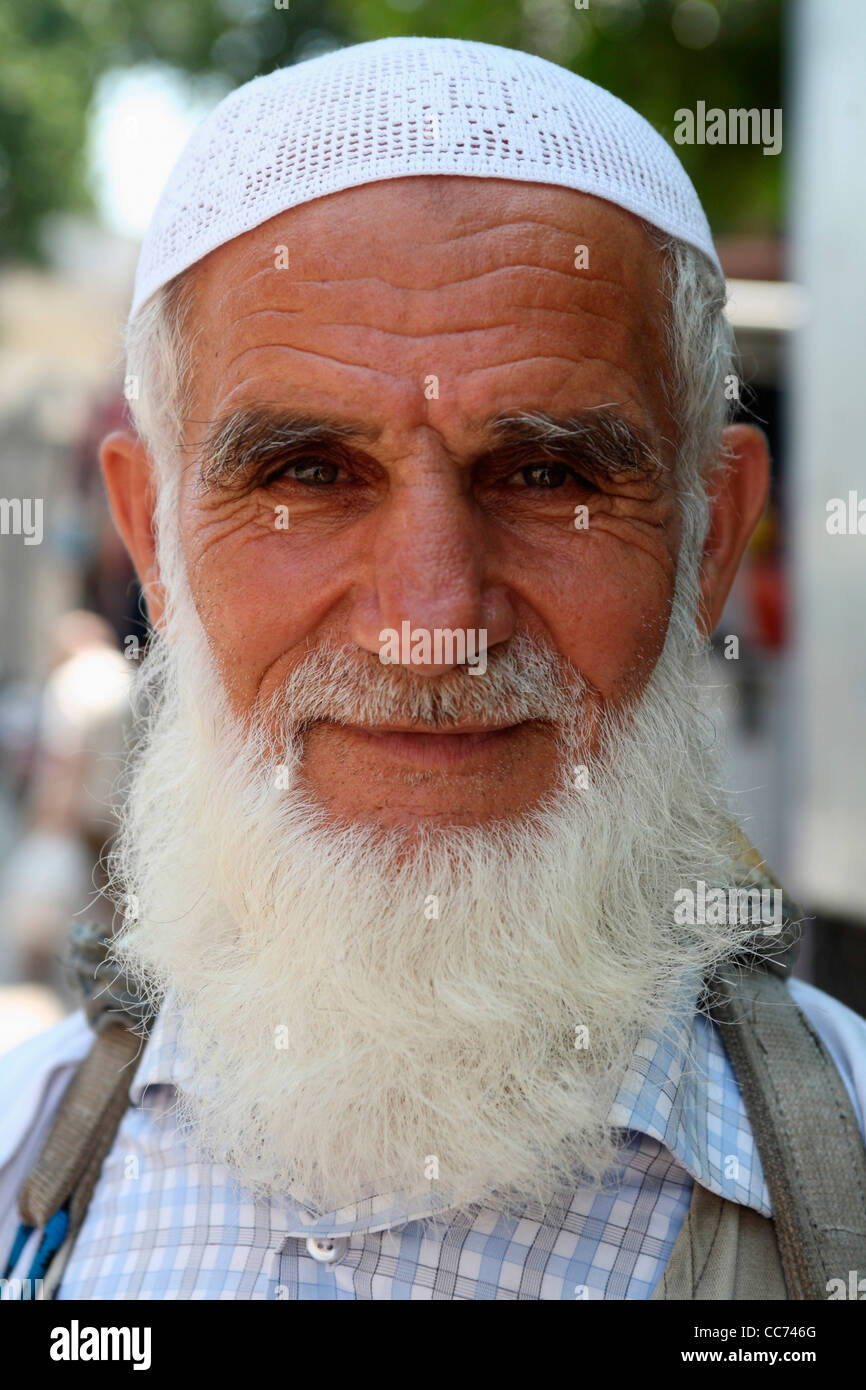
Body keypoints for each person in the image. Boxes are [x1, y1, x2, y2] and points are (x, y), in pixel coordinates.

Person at [1, 36, 864, 1301]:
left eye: (546, 474)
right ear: (154, 545)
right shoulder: (24, 1156)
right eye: (305, 475)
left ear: (709, 539)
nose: (431, 618)